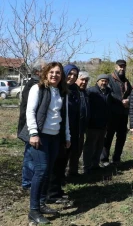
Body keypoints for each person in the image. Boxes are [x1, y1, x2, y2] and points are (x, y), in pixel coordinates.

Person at [17, 62, 70, 224]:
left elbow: (64, 116)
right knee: (41, 170)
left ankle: (41, 203)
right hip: (40, 136)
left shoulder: (62, 92)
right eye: (52, 72)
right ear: (46, 73)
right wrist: (33, 133)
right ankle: (33, 211)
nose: (55, 75)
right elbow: (30, 111)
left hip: (55, 137)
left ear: (62, 76)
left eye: (58, 73)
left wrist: (67, 136)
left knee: (48, 171)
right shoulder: (38, 88)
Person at [46, 64, 82, 204]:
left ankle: (58, 190)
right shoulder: (58, 91)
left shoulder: (73, 90)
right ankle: (51, 194)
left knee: (62, 163)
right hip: (56, 132)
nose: (72, 77)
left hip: (69, 133)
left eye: (75, 75)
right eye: (70, 74)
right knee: (55, 164)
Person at [18, 59, 46, 191]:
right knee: (29, 155)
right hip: (28, 126)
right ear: (37, 72)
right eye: (45, 69)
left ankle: (32, 181)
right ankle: (27, 183)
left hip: (33, 125)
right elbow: (29, 110)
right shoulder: (33, 85)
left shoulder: (39, 84)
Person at [101, 59, 132, 166]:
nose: (122, 68)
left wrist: (128, 100)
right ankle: (104, 159)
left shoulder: (126, 81)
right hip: (111, 114)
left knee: (121, 137)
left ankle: (116, 158)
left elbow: (131, 94)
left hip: (123, 114)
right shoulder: (109, 79)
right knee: (108, 137)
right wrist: (121, 100)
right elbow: (108, 93)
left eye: (124, 66)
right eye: (120, 66)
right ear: (116, 67)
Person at [83, 74, 112, 174]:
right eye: (102, 80)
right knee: (90, 146)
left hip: (103, 124)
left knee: (99, 146)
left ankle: (95, 164)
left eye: (106, 81)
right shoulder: (91, 91)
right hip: (92, 124)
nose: (104, 83)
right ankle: (87, 167)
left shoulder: (108, 92)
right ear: (97, 81)